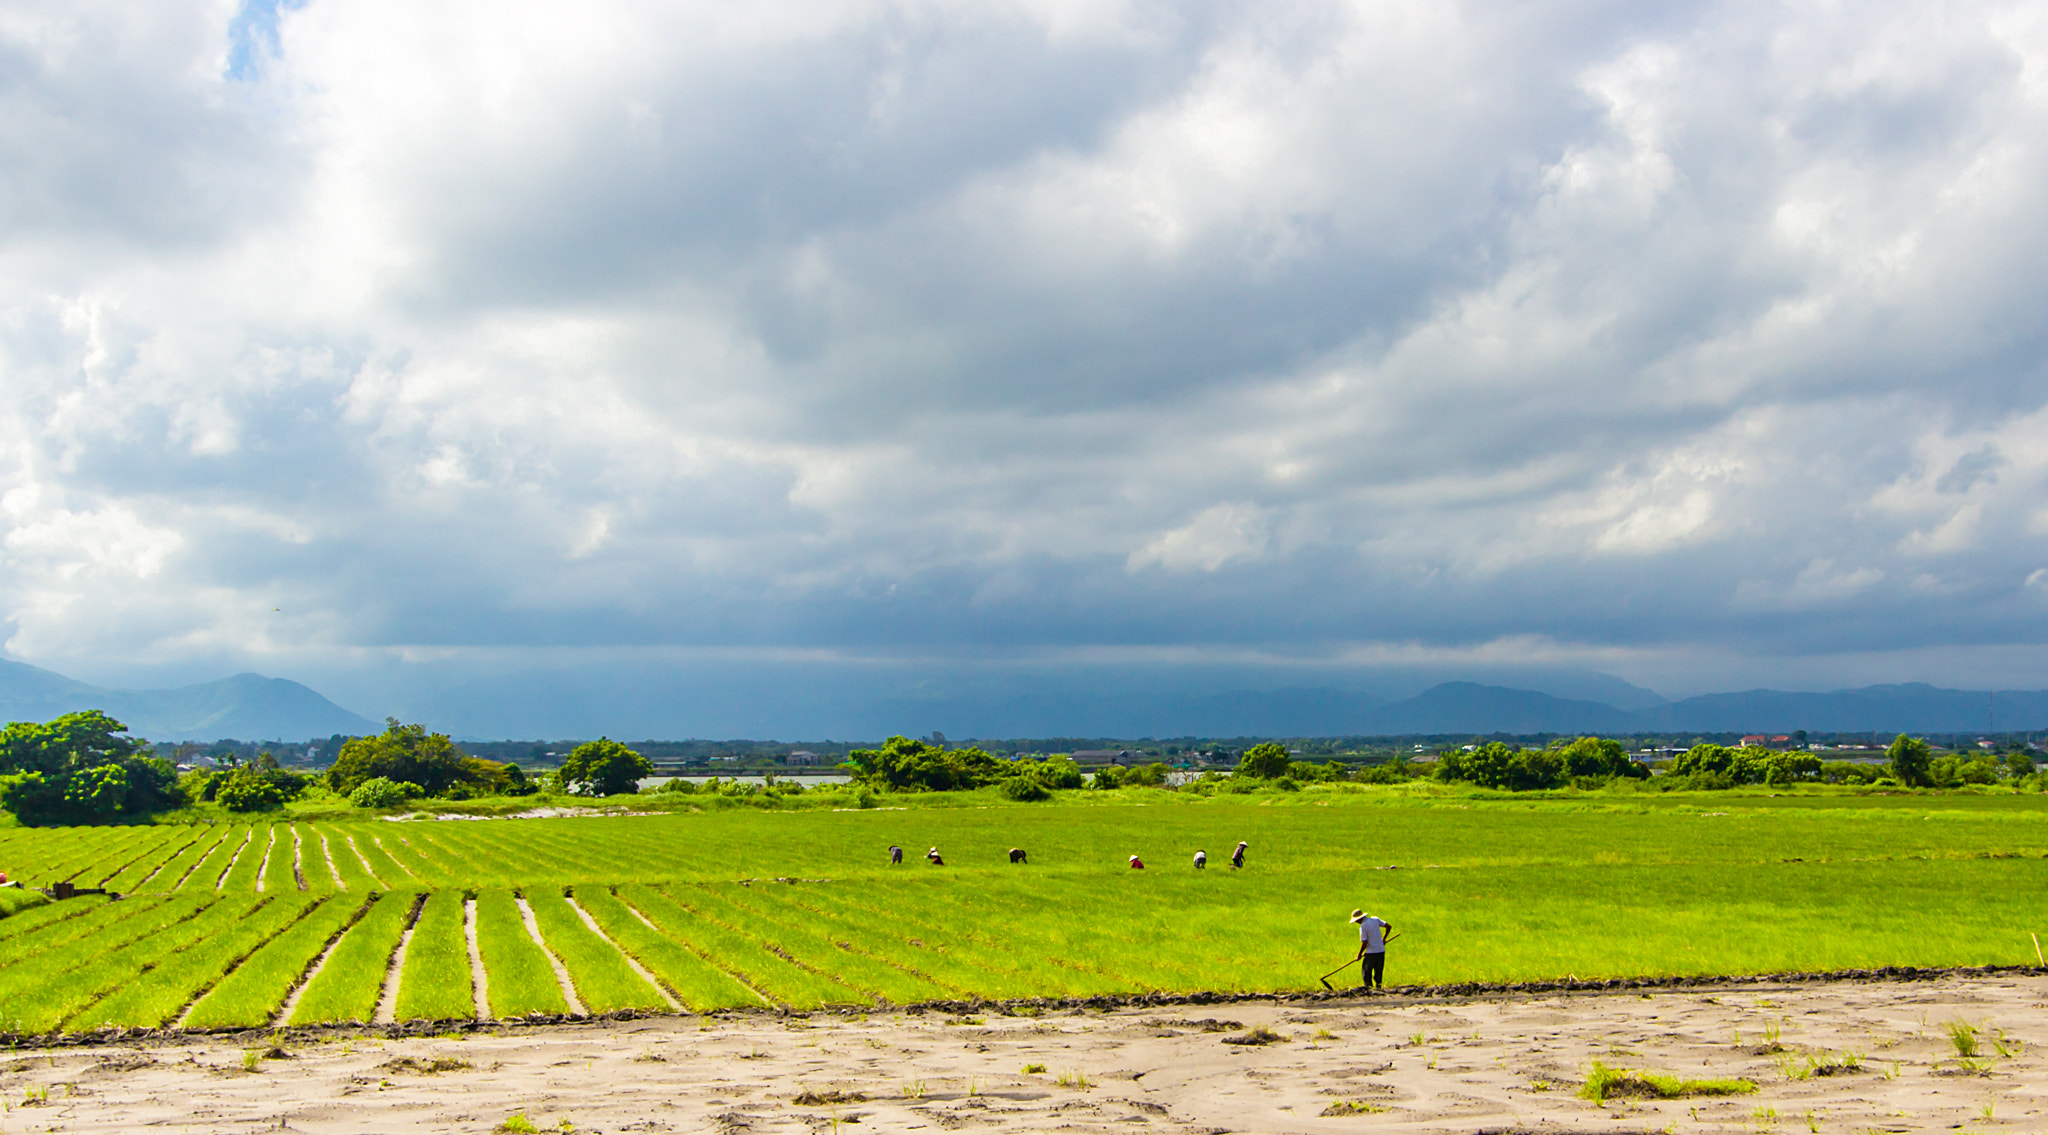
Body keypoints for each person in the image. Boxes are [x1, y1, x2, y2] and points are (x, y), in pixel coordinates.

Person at [1350, 908, 1393, 991]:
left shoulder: (1363, 926)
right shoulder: (1375, 920)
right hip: (1381, 951)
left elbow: (1365, 942)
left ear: (1359, 919)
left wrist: (1359, 954)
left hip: (1371, 953)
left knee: (1366, 973)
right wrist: (1383, 939)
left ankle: (1369, 989)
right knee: (1378, 972)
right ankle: (1378, 988)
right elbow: (1389, 927)